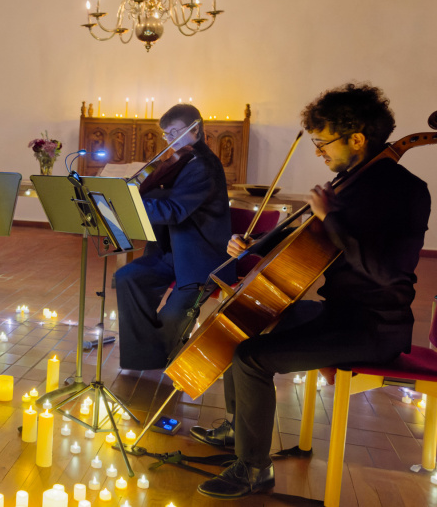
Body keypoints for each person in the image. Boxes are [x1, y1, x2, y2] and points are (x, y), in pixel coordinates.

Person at [193, 83, 431, 499]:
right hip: (338, 312)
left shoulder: (405, 191)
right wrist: (253, 246)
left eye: (323, 143)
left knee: (251, 358)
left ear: (357, 139)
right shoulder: (352, 181)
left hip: (374, 327)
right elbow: (309, 241)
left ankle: (253, 469)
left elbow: (388, 272)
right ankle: (238, 429)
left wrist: (331, 217)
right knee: (246, 322)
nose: (319, 153)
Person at [114, 104, 235, 370]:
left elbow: (175, 210)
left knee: (171, 318)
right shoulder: (184, 160)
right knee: (128, 277)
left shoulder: (203, 165)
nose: (169, 139)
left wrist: (129, 204)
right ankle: (143, 358)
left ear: (196, 129)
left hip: (200, 257)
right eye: (166, 134)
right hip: (173, 253)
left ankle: (164, 358)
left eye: (175, 132)